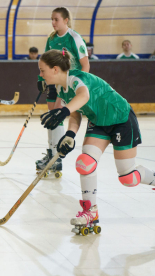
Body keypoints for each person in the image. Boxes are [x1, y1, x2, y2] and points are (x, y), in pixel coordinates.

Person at [38, 49, 155, 232]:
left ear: (54, 69)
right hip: (99, 123)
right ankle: (90, 211)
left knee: (128, 177)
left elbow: (83, 96)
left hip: (121, 119)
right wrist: (69, 134)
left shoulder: (76, 79)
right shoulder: (61, 88)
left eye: (42, 70)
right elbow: (76, 114)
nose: (40, 74)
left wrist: (64, 110)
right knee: (85, 163)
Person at [36, 6, 90, 174]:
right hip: (53, 81)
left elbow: (85, 65)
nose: (53, 22)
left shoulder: (74, 38)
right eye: (51, 19)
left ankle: (56, 159)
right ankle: (52, 153)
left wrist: (77, 86)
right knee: (51, 117)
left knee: (57, 116)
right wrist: (41, 79)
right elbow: (45, 61)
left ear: (66, 20)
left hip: (67, 83)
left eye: (56, 19)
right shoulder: (51, 39)